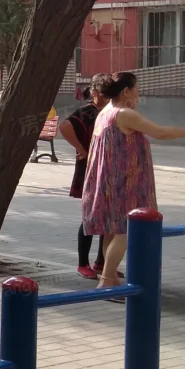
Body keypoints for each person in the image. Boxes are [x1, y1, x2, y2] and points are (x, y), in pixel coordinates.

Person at [82, 72, 185, 292]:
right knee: (125, 231)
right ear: (126, 91)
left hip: (107, 180)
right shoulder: (124, 114)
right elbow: (160, 133)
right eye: (136, 88)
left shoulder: (105, 112)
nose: (139, 93)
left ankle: (109, 277)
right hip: (124, 181)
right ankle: (107, 280)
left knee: (112, 231)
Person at [59, 74, 112, 279]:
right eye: (105, 94)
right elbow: (65, 126)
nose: (108, 98)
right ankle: (83, 263)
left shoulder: (109, 112)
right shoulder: (87, 112)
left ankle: (101, 262)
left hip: (108, 170)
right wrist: (81, 149)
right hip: (90, 169)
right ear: (95, 93)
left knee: (107, 216)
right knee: (91, 216)